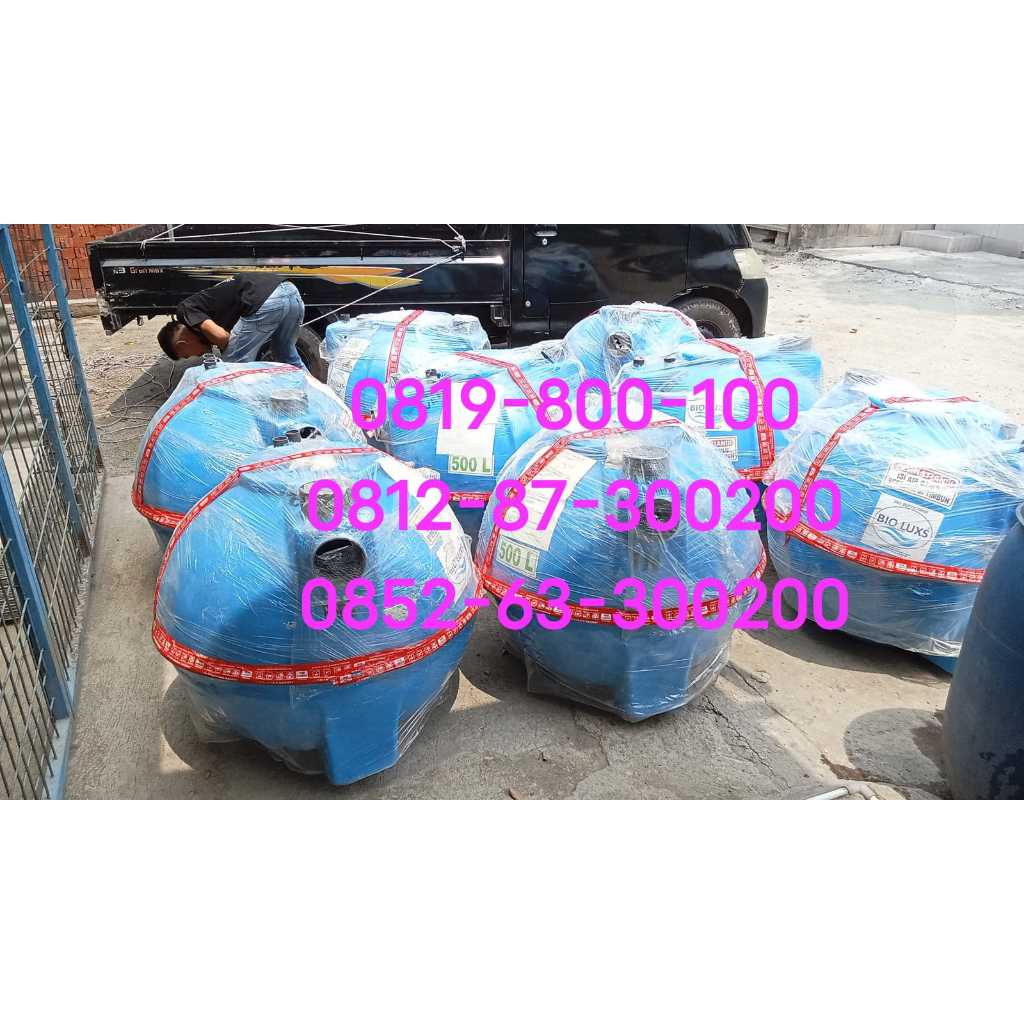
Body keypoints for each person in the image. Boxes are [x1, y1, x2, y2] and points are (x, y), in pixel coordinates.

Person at [156, 273, 305, 368]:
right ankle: (316, 397)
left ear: (182, 344)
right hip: (290, 291)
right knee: (287, 356)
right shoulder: (206, 306)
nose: (197, 356)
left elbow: (222, 337)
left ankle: (239, 408)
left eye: (187, 355)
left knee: (231, 365)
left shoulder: (185, 310)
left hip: (266, 300)